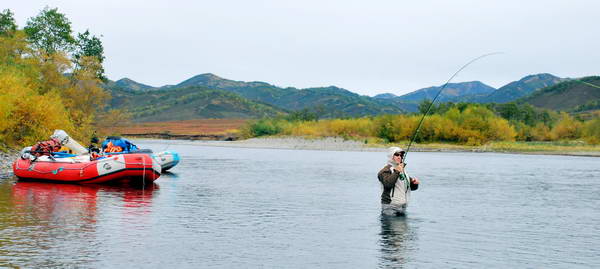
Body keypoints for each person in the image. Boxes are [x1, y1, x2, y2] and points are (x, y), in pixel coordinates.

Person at [378, 147, 420, 216]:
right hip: (390, 207)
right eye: (397, 155)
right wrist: (397, 171)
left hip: (403, 207)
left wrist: (414, 183)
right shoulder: (385, 171)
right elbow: (388, 184)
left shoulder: (402, 171)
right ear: (391, 156)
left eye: (401, 155)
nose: (399, 157)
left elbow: (411, 188)